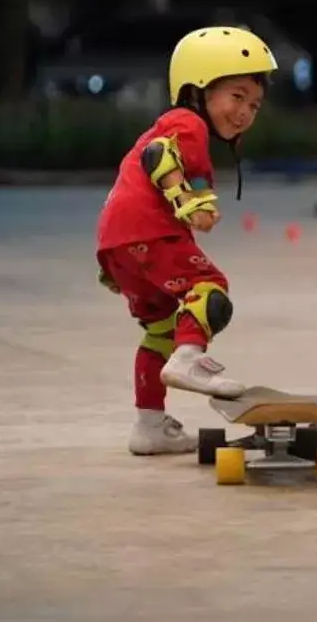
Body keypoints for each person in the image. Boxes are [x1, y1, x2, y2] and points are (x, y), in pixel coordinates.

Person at [96, 25, 276, 455]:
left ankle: (150, 426)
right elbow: (157, 156)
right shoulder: (187, 122)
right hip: (148, 231)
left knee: (160, 330)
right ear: (197, 87)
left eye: (253, 104)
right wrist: (189, 200)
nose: (246, 112)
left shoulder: (182, 128)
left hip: (118, 242)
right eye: (236, 96)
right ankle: (190, 360)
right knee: (210, 290)